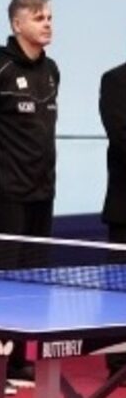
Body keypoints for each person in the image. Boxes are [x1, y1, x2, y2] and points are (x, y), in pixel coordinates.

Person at [0, 0, 58, 391]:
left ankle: (19, 360)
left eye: (50, 17)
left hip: (42, 190)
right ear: (17, 24)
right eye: (39, 18)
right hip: (5, 192)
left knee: (32, 282)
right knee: (0, 285)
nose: (47, 23)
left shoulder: (52, 70)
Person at [101, 57, 126, 378]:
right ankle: (120, 363)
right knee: (120, 291)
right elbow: (121, 138)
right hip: (125, 209)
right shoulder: (115, 81)